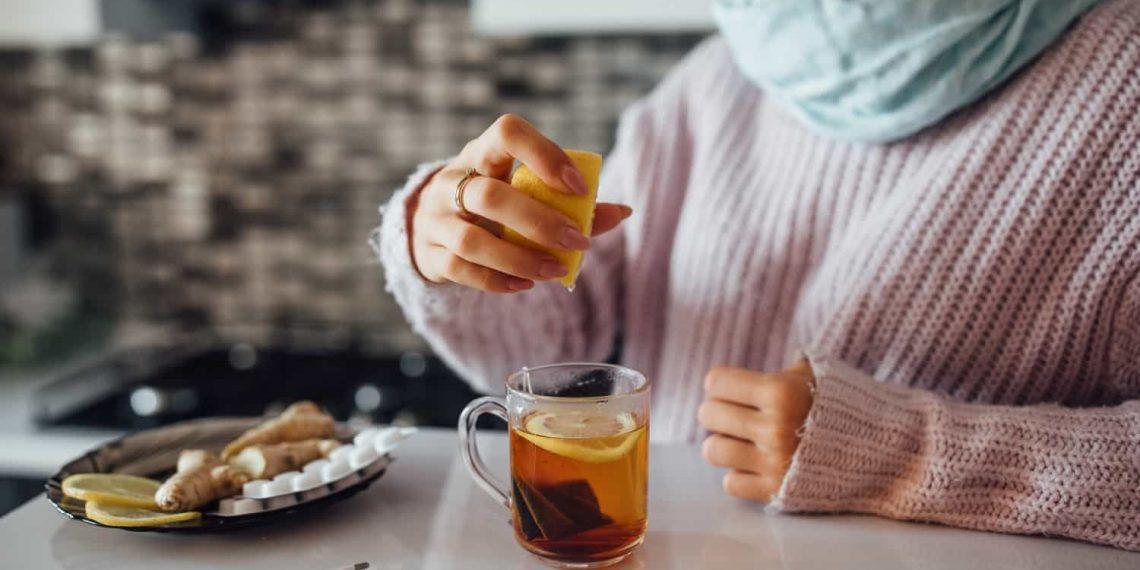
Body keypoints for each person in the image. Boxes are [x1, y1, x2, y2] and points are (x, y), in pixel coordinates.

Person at [373, 0, 1140, 551]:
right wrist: (449, 244)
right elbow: (555, 341)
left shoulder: (1123, 77)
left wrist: (899, 455)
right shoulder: (717, 77)